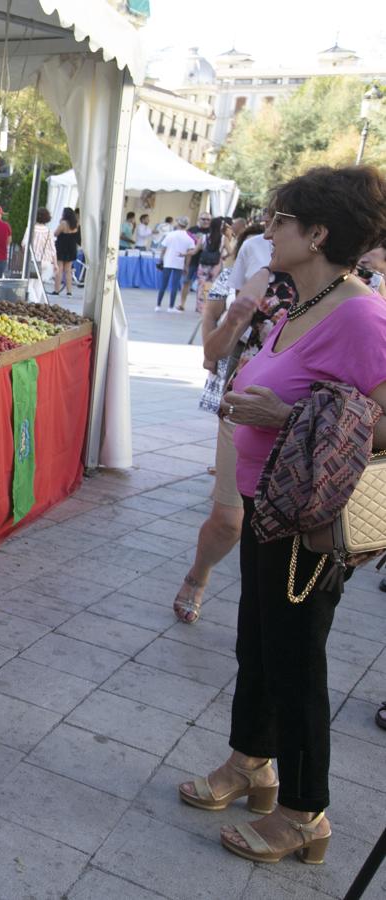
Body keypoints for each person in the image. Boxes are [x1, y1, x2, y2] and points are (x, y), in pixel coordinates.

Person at [179, 165, 386, 866]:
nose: (267, 230)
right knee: (259, 647)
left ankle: (306, 811)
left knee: (297, 661)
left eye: (282, 220)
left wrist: (287, 413)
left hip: (309, 520)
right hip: (269, 503)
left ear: (319, 233)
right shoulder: (302, 299)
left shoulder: (361, 312)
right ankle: (251, 764)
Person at [173, 264, 294, 623]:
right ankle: (198, 575)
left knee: (286, 535)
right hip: (243, 413)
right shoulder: (267, 277)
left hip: (308, 431)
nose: (270, 233)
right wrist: (231, 321)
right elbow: (214, 340)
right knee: (228, 520)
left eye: (282, 222)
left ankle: (268, 618)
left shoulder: (361, 294)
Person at [156, 215, 194, 311]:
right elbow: (189, 254)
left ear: (178, 223)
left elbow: (163, 249)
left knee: (163, 284)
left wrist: (160, 260)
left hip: (168, 261)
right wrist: (186, 266)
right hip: (179, 263)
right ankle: (171, 306)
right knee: (175, 285)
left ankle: (158, 305)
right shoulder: (188, 238)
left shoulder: (170, 235)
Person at [179, 211, 212, 311]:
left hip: (206, 261)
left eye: (208, 219)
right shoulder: (192, 230)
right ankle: (182, 304)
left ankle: (202, 307)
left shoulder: (213, 232)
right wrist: (185, 263)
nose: (206, 221)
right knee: (186, 282)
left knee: (205, 285)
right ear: (199, 219)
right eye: (203, 219)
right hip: (192, 260)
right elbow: (185, 245)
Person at [195, 217, 227, 310]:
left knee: (201, 284)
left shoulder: (204, 237)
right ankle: (207, 306)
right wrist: (223, 256)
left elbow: (196, 250)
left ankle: (200, 306)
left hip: (204, 264)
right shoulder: (223, 238)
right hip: (216, 265)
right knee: (211, 285)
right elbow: (231, 251)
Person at [53, 209, 81, 297]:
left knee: (59, 269)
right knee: (68, 271)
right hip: (71, 248)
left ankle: (56, 290)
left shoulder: (63, 223)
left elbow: (56, 233)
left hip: (62, 247)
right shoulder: (76, 224)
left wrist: (60, 222)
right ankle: (69, 291)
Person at [29, 207, 55, 289]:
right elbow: (53, 249)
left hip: (34, 260)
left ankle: (33, 300)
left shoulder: (31, 229)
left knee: (30, 285)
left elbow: (24, 244)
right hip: (46, 261)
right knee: (40, 284)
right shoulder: (49, 231)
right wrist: (55, 263)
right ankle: (36, 300)